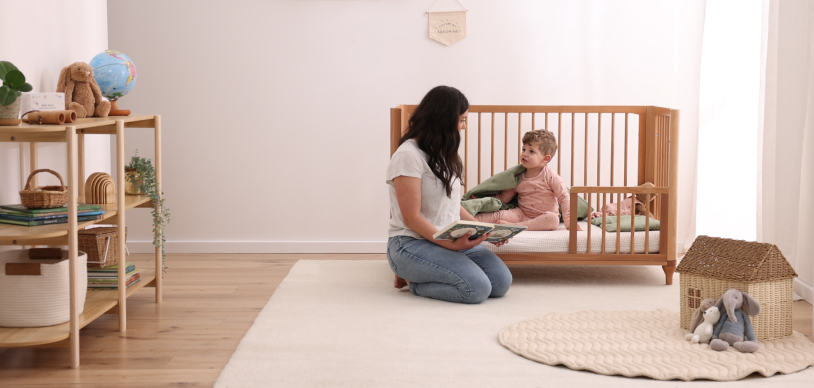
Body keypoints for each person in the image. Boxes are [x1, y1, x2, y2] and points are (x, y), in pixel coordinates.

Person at [386, 86, 513, 304]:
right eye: (461, 120)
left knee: (501, 283)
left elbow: (452, 205)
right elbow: (411, 217)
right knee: (476, 289)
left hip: (446, 238)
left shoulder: (443, 153)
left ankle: (428, 271)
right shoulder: (408, 155)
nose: (463, 126)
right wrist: (450, 246)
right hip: (410, 243)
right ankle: (411, 280)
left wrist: (484, 231)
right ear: (442, 120)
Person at [474, 129, 582, 231]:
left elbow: (564, 198)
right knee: (500, 215)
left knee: (553, 219)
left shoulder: (550, 175)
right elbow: (504, 198)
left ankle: (516, 226)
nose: (525, 153)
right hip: (522, 214)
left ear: (545, 158)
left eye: (531, 151)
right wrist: (481, 199)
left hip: (544, 217)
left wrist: (569, 222)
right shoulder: (517, 177)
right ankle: (469, 220)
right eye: (524, 149)